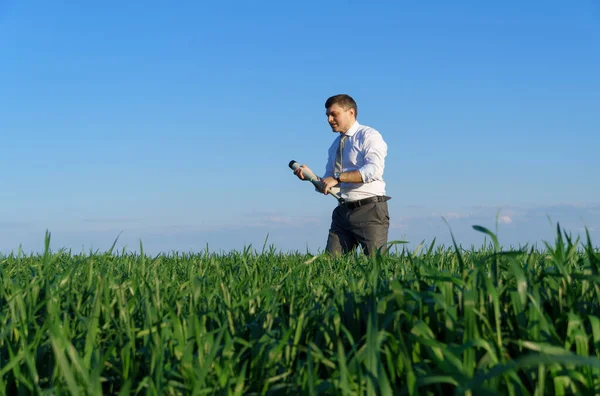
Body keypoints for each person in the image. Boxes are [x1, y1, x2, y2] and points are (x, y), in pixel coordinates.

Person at [294, 94, 390, 256]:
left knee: (377, 266)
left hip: (370, 209)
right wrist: (311, 178)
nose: (329, 119)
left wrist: (337, 178)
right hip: (342, 211)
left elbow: (373, 170)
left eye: (334, 114)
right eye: (327, 115)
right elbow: (328, 183)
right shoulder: (334, 146)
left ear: (350, 113)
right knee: (330, 266)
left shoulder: (368, 135)